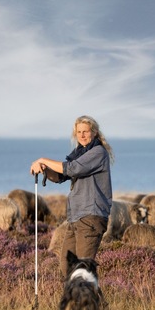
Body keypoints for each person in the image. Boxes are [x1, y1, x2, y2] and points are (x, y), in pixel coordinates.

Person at [30, 115, 114, 276]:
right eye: (79, 132)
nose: (82, 135)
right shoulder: (80, 153)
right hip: (76, 217)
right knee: (67, 268)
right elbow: (61, 176)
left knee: (82, 271)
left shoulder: (98, 152)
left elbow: (73, 168)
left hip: (90, 216)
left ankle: (90, 300)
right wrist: (44, 169)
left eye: (86, 131)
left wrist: (43, 159)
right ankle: (94, 301)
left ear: (94, 132)